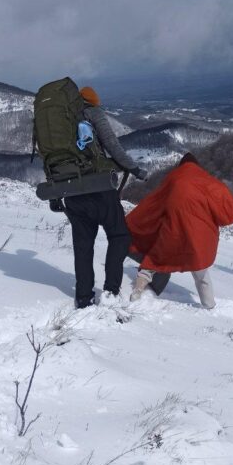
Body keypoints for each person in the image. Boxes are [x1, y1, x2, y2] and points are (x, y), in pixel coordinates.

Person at [63, 86, 148, 309]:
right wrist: (134, 169)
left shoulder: (61, 119)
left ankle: (83, 297)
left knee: (83, 245)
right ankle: (110, 291)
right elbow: (112, 145)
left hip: (71, 191)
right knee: (119, 236)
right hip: (98, 188)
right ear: (93, 102)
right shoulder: (93, 113)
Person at [125, 153, 233, 308]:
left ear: (181, 165)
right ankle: (209, 304)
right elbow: (221, 196)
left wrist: (134, 221)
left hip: (172, 230)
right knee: (200, 269)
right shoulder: (206, 180)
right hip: (198, 234)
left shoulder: (173, 178)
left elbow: (154, 201)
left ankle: (138, 290)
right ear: (196, 165)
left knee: (154, 260)